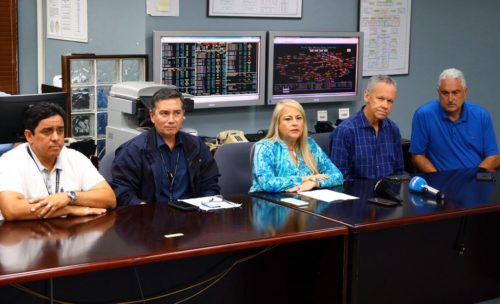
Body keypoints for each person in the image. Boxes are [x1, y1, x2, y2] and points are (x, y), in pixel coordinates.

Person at [0, 102, 116, 221]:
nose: (56, 138)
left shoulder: (76, 157)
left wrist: (69, 197)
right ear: (29, 136)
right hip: (24, 235)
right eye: (47, 131)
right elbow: (12, 210)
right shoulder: (10, 161)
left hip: (68, 233)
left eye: (60, 131)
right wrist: (67, 209)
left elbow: (109, 198)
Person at [111, 87, 220, 205]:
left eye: (177, 113)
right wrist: (142, 209)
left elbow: (210, 185)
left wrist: (205, 206)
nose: (171, 120)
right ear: (152, 116)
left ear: (183, 115)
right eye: (164, 114)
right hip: (150, 218)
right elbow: (122, 192)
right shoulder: (132, 150)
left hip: (191, 216)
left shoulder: (196, 146)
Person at [409, 68, 500, 172]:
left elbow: (493, 157)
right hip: (441, 183)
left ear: (465, 92)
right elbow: (417, 157)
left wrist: (474, 179)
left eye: (455, 92)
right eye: (445, 93)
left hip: (476, 180)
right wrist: (438, 180)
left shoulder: (481, 115)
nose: (450, 99)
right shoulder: (424, 115)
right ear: (438, 93)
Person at [250, 99, 343, 193]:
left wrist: (315, 183)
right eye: (288, 119)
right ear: (277, 124)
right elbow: (268, 183)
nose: (295, 123)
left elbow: (338, 176)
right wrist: (306, 179)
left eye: (299, 118)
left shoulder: (310, 144)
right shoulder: (265, 147)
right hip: (268, 204)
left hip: (304, 202)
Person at [329, 75, 403, 180]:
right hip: (356, 194)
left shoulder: (393, 130)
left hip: (388, 193)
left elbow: (398, 172)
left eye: (390, 101)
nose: (385, 106)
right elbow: (339, 177)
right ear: (367, 96)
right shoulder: (345, 131)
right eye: (380, 98)